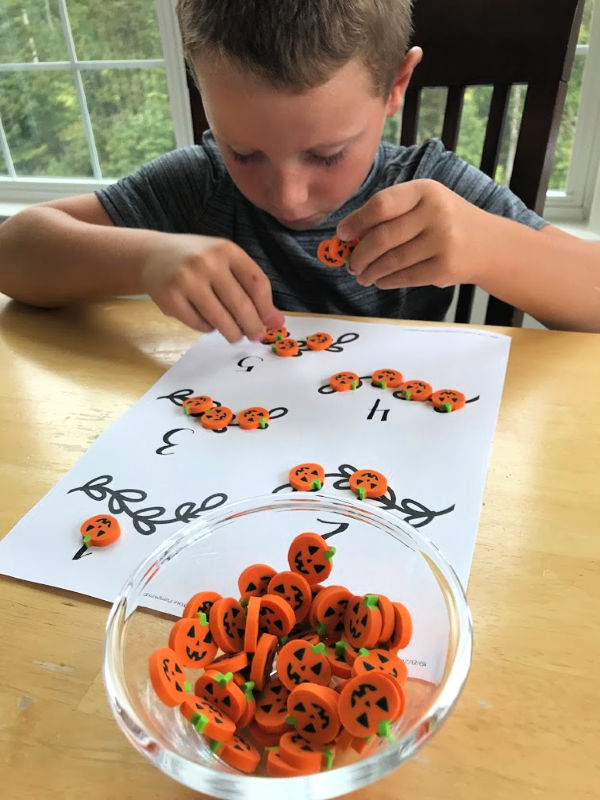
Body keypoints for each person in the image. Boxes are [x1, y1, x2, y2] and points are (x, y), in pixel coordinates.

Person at [1, 0, 598, 338]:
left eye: (327, 154)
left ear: (396, 86)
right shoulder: (200, 188)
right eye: (244, 152)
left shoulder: (429, 189)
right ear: (203, 93)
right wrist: (147, 258)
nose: (286, 196)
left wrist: (491, 247)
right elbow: (13, 251)